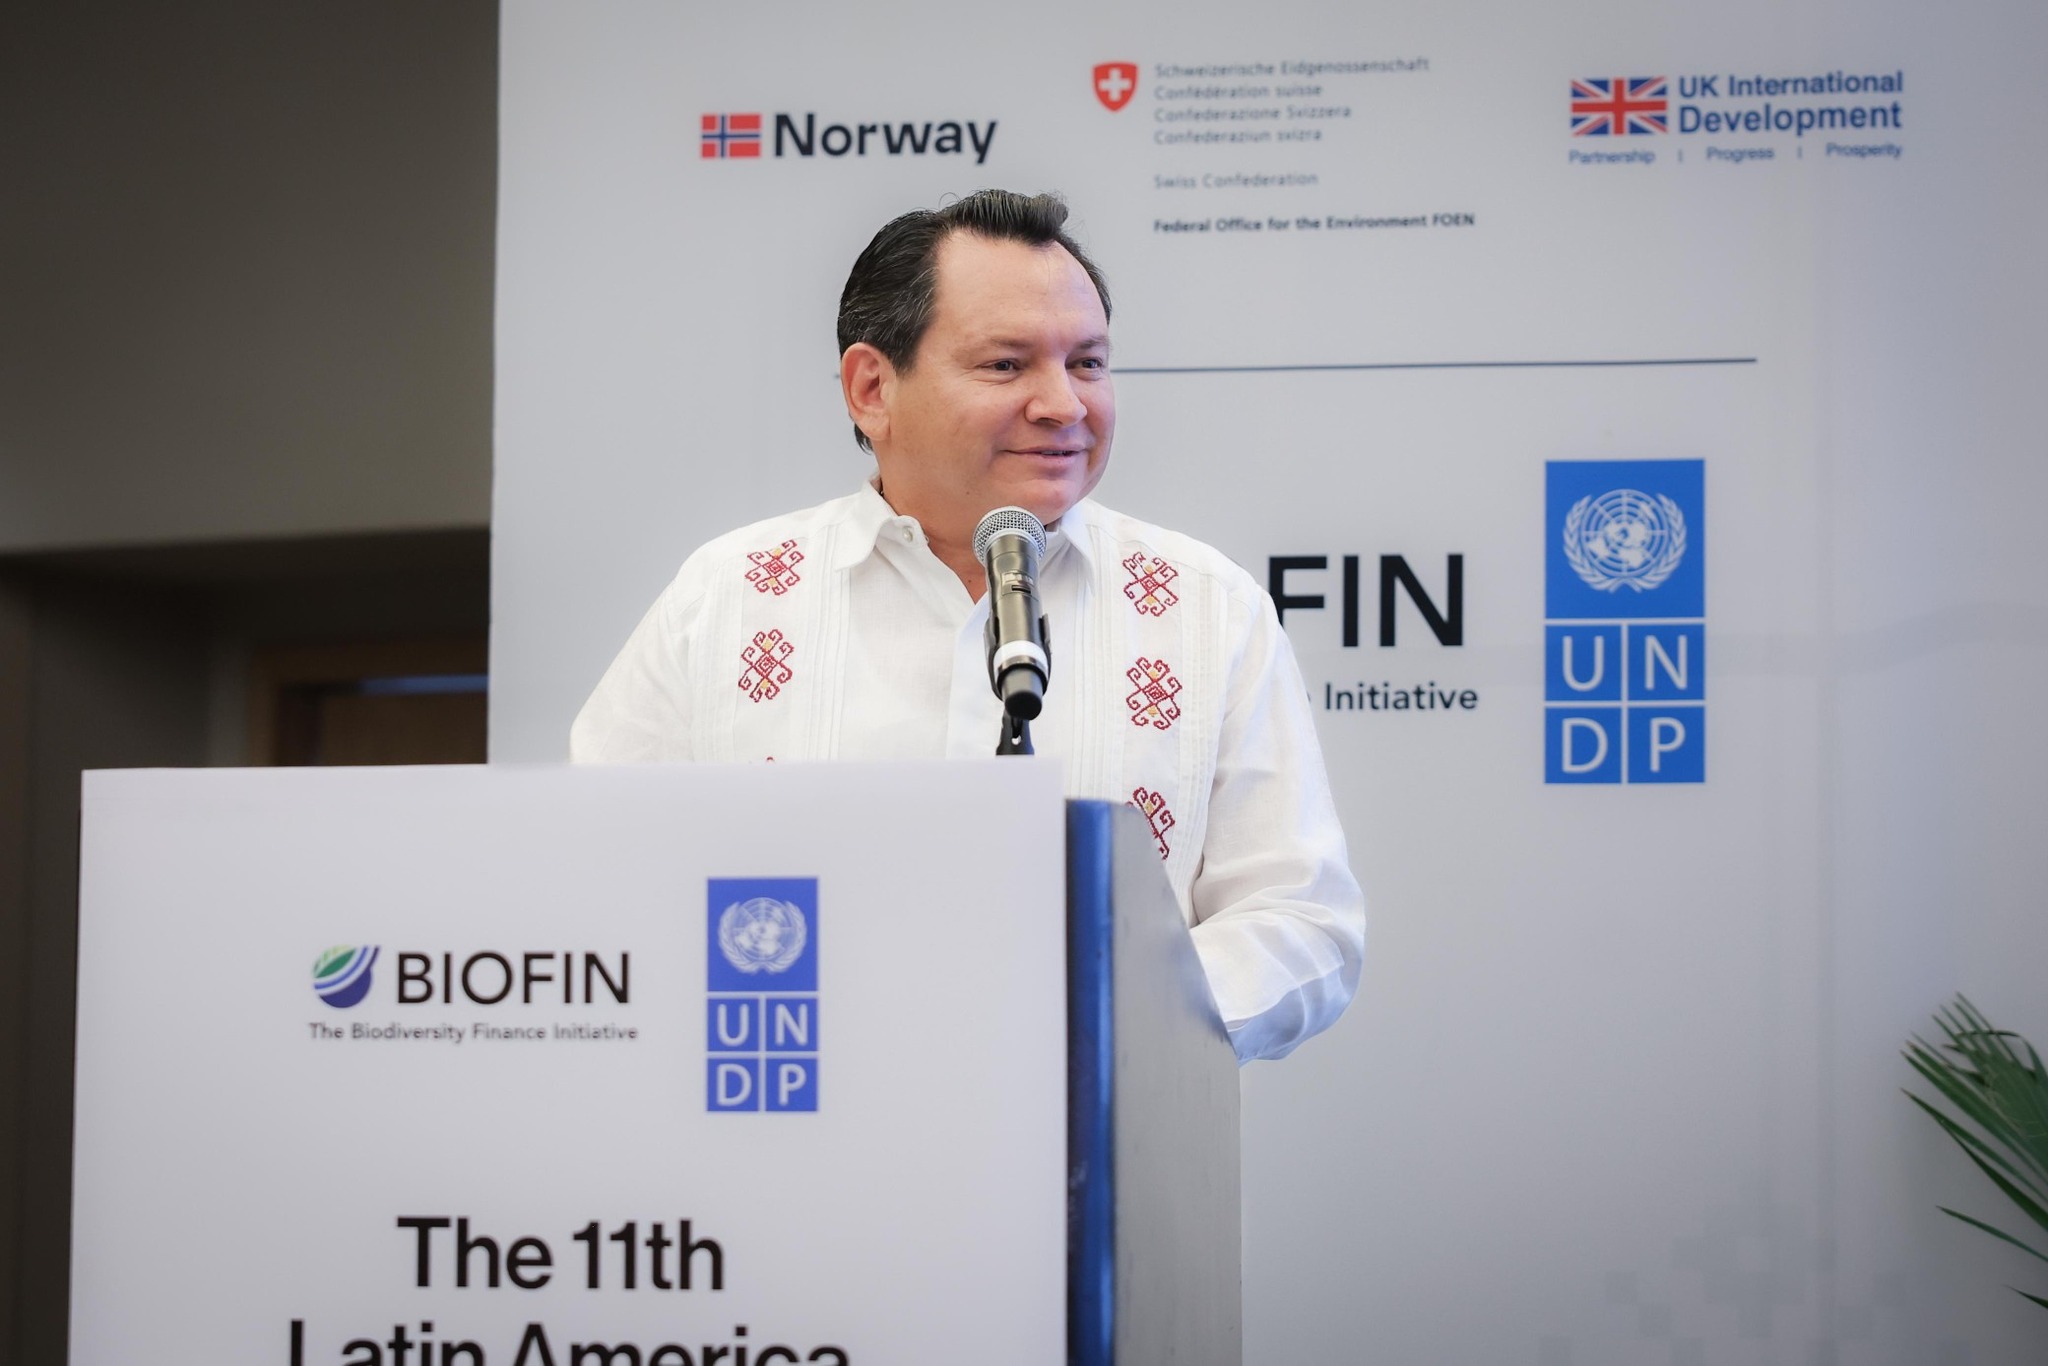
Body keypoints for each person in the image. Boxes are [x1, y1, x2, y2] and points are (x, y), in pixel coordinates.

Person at [571, 190, 1364, 1061]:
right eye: (1006, 365)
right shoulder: (727, 599)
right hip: (779, 1103)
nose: (1064, 404)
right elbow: (597, 874)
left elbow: (1300, 920)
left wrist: (1100, 1015)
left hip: (1093, 1125)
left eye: (1088, 364)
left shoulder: (1205, 609)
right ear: (872, 388)